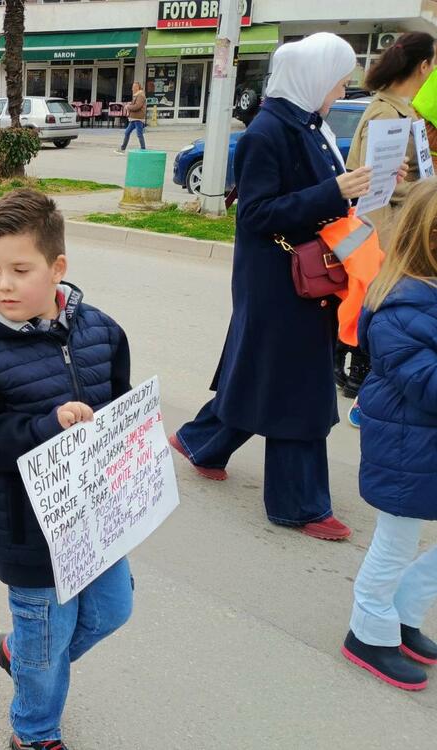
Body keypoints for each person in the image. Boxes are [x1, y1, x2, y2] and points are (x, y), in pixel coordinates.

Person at [0, 189, 134, 750]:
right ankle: (34, 731)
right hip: (28, 531)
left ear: (58, 268)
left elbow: (119, 407)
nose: (3, 284)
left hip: (96, 518)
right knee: (46, 642)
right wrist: (48, 427)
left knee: (111, 611)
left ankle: (21, 656)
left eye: (20, 270)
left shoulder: (102, 331)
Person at [171, 33, 374, 542]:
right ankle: (297, 504)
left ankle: (203, 442)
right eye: (338, 81)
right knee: (298, 389)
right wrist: (334, 191)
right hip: (278, 281)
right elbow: (257, 214)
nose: (341, 90)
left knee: (263, 372)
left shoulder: (305, 123)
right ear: (313, 79)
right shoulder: (268, 131)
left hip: (302, 277)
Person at [340, 179, 437, 691]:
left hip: (424, 445)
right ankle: (368, 630)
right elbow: (425, 383)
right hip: (406, 447)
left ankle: (403, 612)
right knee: (395, 542)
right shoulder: (402, 307)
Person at [336, 32, 436, 402]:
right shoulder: (385, 112)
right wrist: (427, 194)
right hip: (382, 225)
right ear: (423, 66)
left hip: (395, 223)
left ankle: (351, 364)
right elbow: (374, 178)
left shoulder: (401, 109)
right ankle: (357, 369)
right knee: (375, 299)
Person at [115, 81, 146, 154]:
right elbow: (134, 105)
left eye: (135, 87)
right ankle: (122, 149)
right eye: (133, 87)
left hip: (138, 118)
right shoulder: (136, 95)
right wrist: (129, 104)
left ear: (138, 88)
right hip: (134, 118)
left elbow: (137, 106)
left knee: (139, 134)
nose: (133, 88)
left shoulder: (141, 95)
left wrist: (128, 106)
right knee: (127, 132)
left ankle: (143, 150)